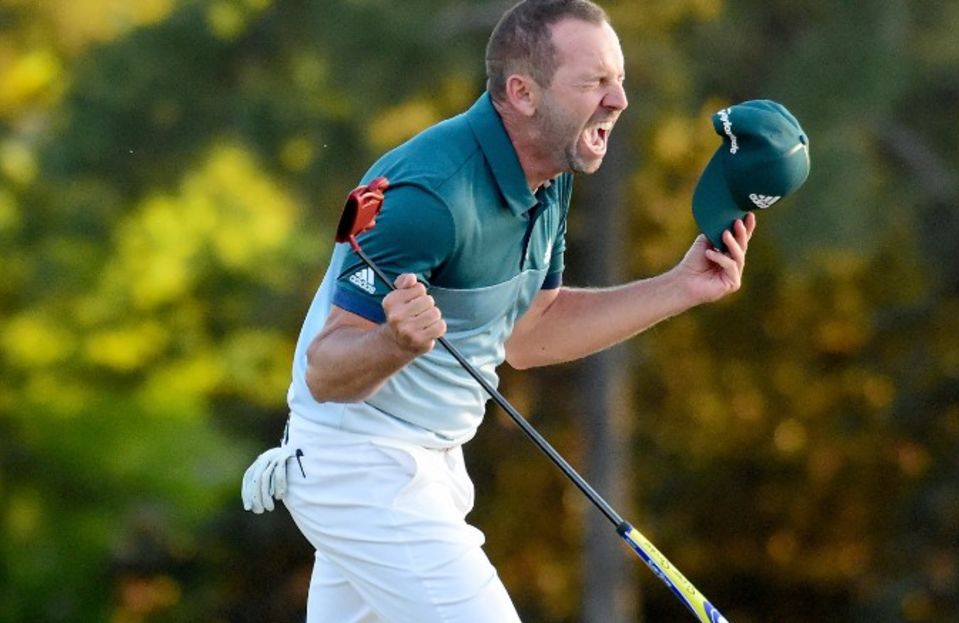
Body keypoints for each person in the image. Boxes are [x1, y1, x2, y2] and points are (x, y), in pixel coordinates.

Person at [241, 1, 762, 621]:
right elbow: (326, 373)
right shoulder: (427, 196)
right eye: (595, 81)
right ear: (522, 92)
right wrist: (394, 344)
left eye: (618, 79)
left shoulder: (551, 171)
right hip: (360, 468)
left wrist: (681, 286)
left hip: (430, 468)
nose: (619, 99)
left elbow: (528, 334)